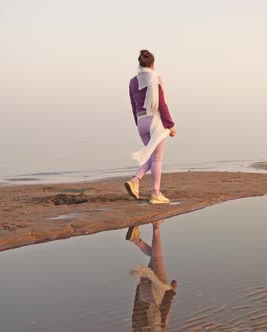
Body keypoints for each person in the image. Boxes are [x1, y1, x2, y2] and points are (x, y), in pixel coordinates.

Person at [125, 50, 176, 204]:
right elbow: (161, 104)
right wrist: (170, 125)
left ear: (139, 63)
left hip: (141, 122)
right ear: (152, 64)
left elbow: (133, 105)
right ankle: (155, 193)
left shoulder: (133, 81)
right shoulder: (155, 78)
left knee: (151, 156)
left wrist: (138, 123)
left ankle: (136, 181)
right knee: (157, 159)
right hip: (154, 121)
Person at [127, 222, 178, 330]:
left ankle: (156, 225)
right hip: (143, 296)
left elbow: (164, 313)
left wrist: (172, 291)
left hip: (157, 296)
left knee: (157, 258)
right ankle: (136, 240)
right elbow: (135, 314)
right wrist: (139, 290)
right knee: (153, 257)